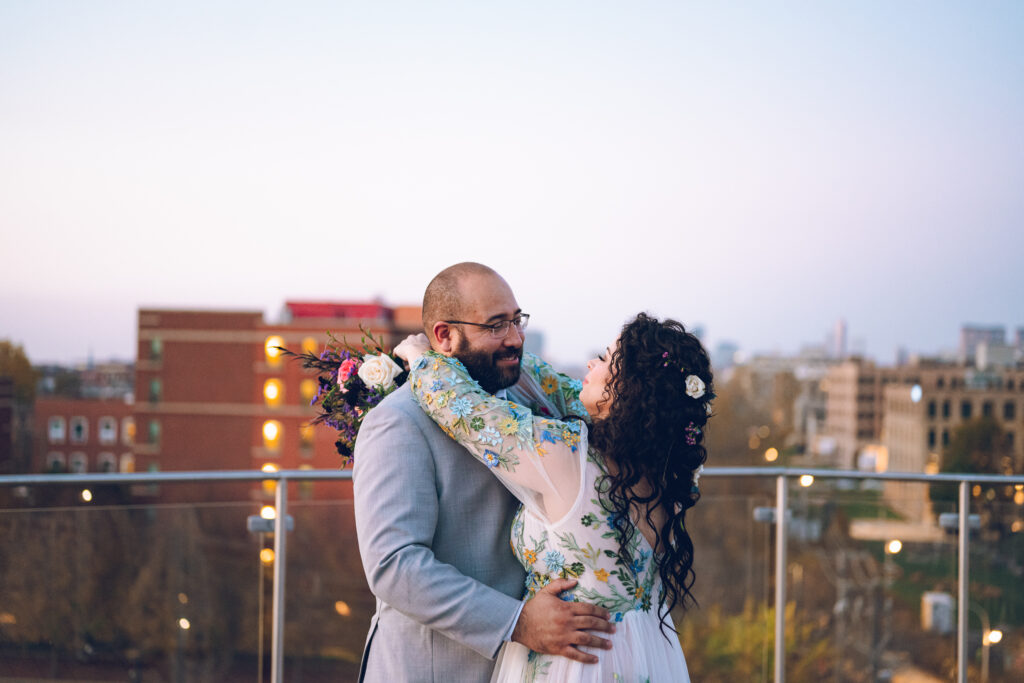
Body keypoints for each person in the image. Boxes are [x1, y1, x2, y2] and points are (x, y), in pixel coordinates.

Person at [397, 311, 713, 682]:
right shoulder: (670, 472)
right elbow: (566, 388)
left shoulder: (568, 456)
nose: (592, 363)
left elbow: (470, 414)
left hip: (577, 661)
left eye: (607, 358)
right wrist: (503, 349)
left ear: (629, 389)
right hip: (648, 652)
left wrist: (423, 359)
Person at [352, 262, 615, 683]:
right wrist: (517, 622)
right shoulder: (398, 422)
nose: (515, 338)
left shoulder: (525, 401)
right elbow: (394, 565)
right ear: (444, 336)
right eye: (495, 326)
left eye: (516, 320)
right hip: (437, 670)